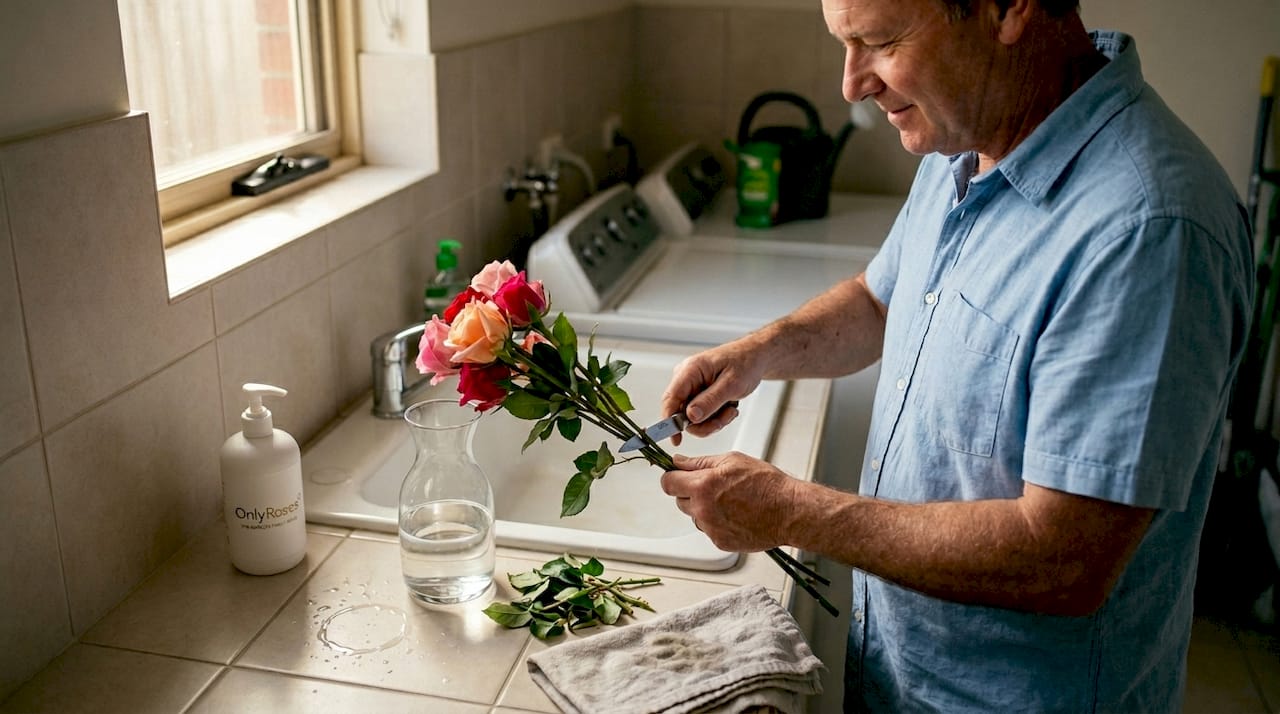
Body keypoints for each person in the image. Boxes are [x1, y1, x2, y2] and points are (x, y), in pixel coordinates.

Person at [657, 0, 1255, 711]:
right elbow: (882, 299)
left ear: (1009, 10)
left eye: (878, 42)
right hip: (896, 679)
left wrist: (790, 512)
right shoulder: (970, 134)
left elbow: (1063, 559)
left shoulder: (1149, 228)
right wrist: (757, 354)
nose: (851, 85)